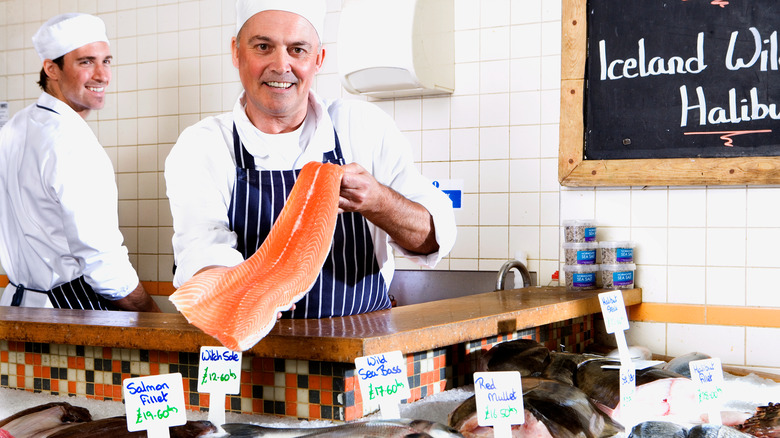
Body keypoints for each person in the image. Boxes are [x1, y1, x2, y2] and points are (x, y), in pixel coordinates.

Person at [165, 0, 457, 318]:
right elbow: (200, 246)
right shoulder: (203, 144)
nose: (281, 65)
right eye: (263, 46)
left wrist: (378, 201)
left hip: (362, 350)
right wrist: (241, 292)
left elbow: (432, 237)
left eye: (298, 50)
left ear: (318, 59)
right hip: (250, 348)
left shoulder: (364, 127)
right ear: (236, 52)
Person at [0, 13, 160, 312]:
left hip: (15, 306)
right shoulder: (73, 143)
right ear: (52, 68)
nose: (102, 75)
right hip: (69, 311)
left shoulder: (14, 128)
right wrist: (152, 317)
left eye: (107, 61)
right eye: (86, 62)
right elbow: (104, 263)